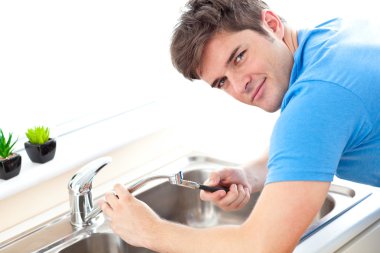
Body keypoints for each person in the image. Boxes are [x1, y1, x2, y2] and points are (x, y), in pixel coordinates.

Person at [100, 0, 380, 252]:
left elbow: (261, 246)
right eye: (221, 82)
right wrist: (251, 174)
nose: (238, 85)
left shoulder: (314, 102)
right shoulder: (331, 37)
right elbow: (321, 133)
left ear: (271, 24)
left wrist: (151, 231)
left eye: (239, 57)